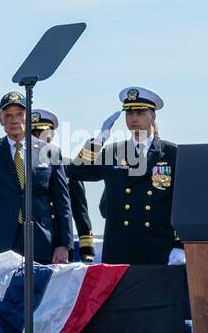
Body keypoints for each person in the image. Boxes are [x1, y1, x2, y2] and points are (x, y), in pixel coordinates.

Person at [69, 87, 185, 266]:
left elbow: (181, 201)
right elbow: (77, 172)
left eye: (140, 112)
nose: (134, 118)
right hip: (119, 250)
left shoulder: (171, 153)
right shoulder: (113, 151)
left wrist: (179, 244)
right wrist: (98, 141)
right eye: (129, 113)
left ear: (152, 116)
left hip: (157, 248)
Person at [0, 91, 71, 263]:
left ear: (28, 117)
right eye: (8, 115)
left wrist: (64, 244)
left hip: (40, 239)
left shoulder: (50, 151)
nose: (14, 120)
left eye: (19, 114)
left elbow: (62, 202)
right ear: (0, 120)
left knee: (39, 289)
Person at [31, 109, 95, 262]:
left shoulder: (66, 165)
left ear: (51, 135)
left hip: (57, 241)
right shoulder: (19, 163)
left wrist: (86, 249)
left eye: (41, 132)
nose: (37, 136)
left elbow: (79, 210)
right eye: (33, 132)